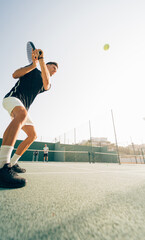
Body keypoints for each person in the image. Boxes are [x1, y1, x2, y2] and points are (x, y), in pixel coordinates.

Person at [0, 48, 58, 188]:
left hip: (23, 107)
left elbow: (46, 82)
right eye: (54, 67)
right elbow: (15, 74)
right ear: (47, 65)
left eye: (56, 70)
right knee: (22, 114)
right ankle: (3, 164)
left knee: (32, 135)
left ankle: (12, 164)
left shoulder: (47, 81)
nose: (55, 70)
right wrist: (33, 64)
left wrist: (41, 61)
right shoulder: (32, 70)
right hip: (12, 99)